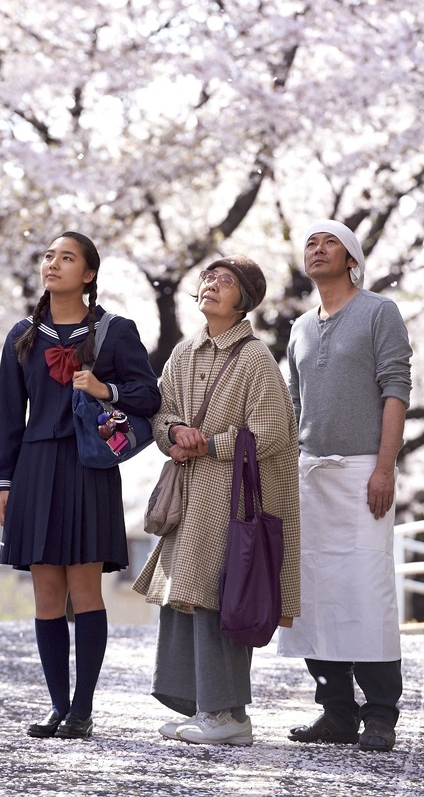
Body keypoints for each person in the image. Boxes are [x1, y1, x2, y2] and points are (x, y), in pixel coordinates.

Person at [0, 231, 160, 740]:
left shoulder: (115, 331)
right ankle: (57, 706)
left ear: (88, 274)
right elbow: (6, 414)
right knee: (46, 591)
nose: (53, 264)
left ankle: (83, 708)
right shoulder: (22, 335)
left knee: (86, 589)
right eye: (48, 257)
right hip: (36, 468)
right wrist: (5, 483)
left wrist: (104, 388)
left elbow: (149, 395)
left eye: (66, 258)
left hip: (90, 467)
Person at [134, 255, 300, 747]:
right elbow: (159, 411)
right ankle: (202, 706)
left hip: (232, 500)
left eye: (225, 281)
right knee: (185, 595)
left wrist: (210, 442)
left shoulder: (255, 358)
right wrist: (173, 432)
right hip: (191, 496)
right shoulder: (185, 351)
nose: (211, 285)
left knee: (221, 595)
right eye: (208, 278)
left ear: (244, 298)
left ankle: (229, 715)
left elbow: (273, 432)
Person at [278, 219, 412, 753]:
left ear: (352, 258)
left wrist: (385, 467)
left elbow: (395, 389)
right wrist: (284, 470)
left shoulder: (380, 312)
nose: (317, 248)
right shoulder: (299, 328)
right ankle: (335, 712)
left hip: (362, 472)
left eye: (329, 241)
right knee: (314, 592)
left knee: (367, 589)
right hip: (309, 473)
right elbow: (292, 406)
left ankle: (380, 714)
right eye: (310, 242)